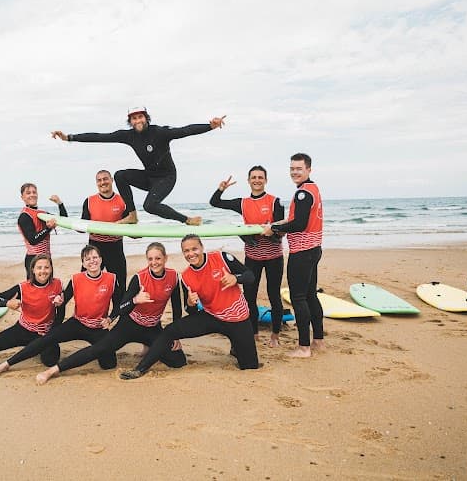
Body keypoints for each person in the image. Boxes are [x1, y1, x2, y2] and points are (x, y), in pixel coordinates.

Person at [36, 242, 187, 385]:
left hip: (153, 327)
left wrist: (174, 336)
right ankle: (53, 370)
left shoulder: (173, 276)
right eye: (150, 259)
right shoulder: (139, 278)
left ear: (165, 258)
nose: (154, 262)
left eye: (158, 258)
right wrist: (135, 300)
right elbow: (122, 308)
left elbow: (176, 308)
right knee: (99, 349)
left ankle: (148, 346)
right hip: (129, 326)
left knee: (178, 360)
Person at [51, 107, 226, 225]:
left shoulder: (160, 132)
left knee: (150, 205)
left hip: (166, 178)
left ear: (146, 118)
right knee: (120, 175)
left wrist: (210, 126)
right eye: (134, 118)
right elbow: (99, 136)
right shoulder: (129, 136)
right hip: (149, 177)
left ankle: (187, 220)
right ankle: (132, 215)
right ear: (131, 121)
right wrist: (69, 137)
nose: (137, 120)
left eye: (140, 117)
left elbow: (185, 130)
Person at [120, 235, 259, 380]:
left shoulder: (222, 257)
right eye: (186, 251)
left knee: (250, 366)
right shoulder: (186, 277)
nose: (191, 254)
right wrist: (191, 303)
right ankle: (139, 369)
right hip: (211, 316)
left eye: (194, 249)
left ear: (202, 248)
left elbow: (250, 276)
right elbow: (190, 311)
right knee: (170, 331)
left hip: (237, 318)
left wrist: (236, 278)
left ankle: (236, 346)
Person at [0, 245, 123, 376]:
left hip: (98, 327)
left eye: (95, 257)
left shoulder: (111, 279)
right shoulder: (76, 279)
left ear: (101, 259)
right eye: (87, 259)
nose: (92, 261)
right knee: (47, 339)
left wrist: (110, 318)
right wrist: (59, 301)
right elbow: (64, 299)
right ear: (83, 263)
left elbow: (118, 304)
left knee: (109, 364)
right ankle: (7, 364)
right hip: (77, 323)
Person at [210, 166, 285, 347]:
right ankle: (254, 333)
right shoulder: (242, 203)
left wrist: (271, 232)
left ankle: (275, 335)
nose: (257, 180)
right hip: (252, 257)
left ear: (265, 180)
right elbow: (215, 202)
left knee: (274, 295)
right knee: (249, 297)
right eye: (254, 177)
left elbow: (281, 230)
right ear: (249, 181)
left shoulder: (275, 201)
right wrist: (221, 188)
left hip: (274, 256)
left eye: (260, 177)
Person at [262, 153, 324, 358]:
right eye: (292, 169)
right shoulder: (313, 188)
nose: (295, 172)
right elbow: (297, 219)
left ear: (308, 170)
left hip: (302, 253)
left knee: (298, 298)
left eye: (299, 169)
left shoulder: (302, 194)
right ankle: (318, 340)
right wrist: (276, 224)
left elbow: (300, 224)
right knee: (310, 295)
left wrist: (274, 229)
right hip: (314, 249)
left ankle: (304, 347)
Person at [81, 169, 136, 304]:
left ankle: (118, 313)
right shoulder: (89, 201)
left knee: (120, 287)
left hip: (115, 248)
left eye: (105, 179)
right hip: (94, 248)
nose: (102, 182)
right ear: (96, 183)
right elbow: (82, 227)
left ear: (111, 180)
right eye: (99, 180)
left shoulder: (123, 201)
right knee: (86, 283)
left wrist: (136, 234)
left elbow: (131, 225)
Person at [17, 182, 67, 274]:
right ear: (22, 197)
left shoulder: (42, 214)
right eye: (28, 193)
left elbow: (63, 220)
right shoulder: (24, 216)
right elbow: (33, 240)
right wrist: (48, 228)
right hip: (33, 259)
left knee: (48, 283)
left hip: (47, 258)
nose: (32, 195)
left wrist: (59, 203)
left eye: (34, 192)